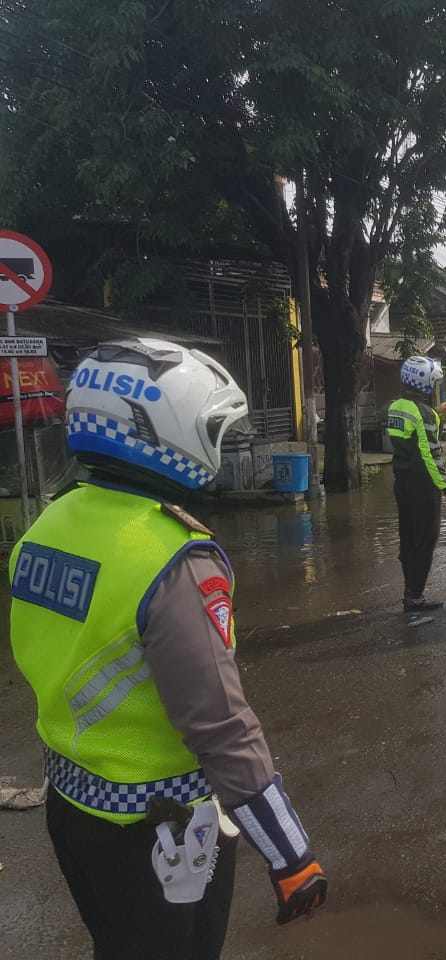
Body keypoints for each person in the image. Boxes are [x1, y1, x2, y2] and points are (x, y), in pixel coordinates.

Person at [7, 338, 326, 960]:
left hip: (72, 809)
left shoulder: (49, 523)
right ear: (169, 430)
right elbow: (221, 726)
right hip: (160, 828)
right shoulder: (175, 558)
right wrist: (292, 856)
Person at [387, 356, 446, 613]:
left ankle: (410, 591)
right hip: (423, 486)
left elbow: (412, 426)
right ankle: (415, 597)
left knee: (407, 537)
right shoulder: (424, 413)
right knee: (426, 540)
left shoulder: (395, 406)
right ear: (425, 383)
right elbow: (431, 454)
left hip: (401, 483)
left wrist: (434, 413)